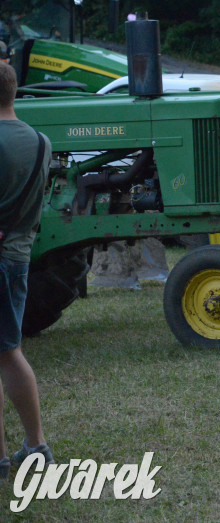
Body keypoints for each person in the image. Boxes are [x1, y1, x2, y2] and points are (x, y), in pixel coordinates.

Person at [0, 60, 56, 480]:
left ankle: (16, 452)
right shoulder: (41, 142)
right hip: (18, 257)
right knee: (8, 350)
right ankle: (28, 447)